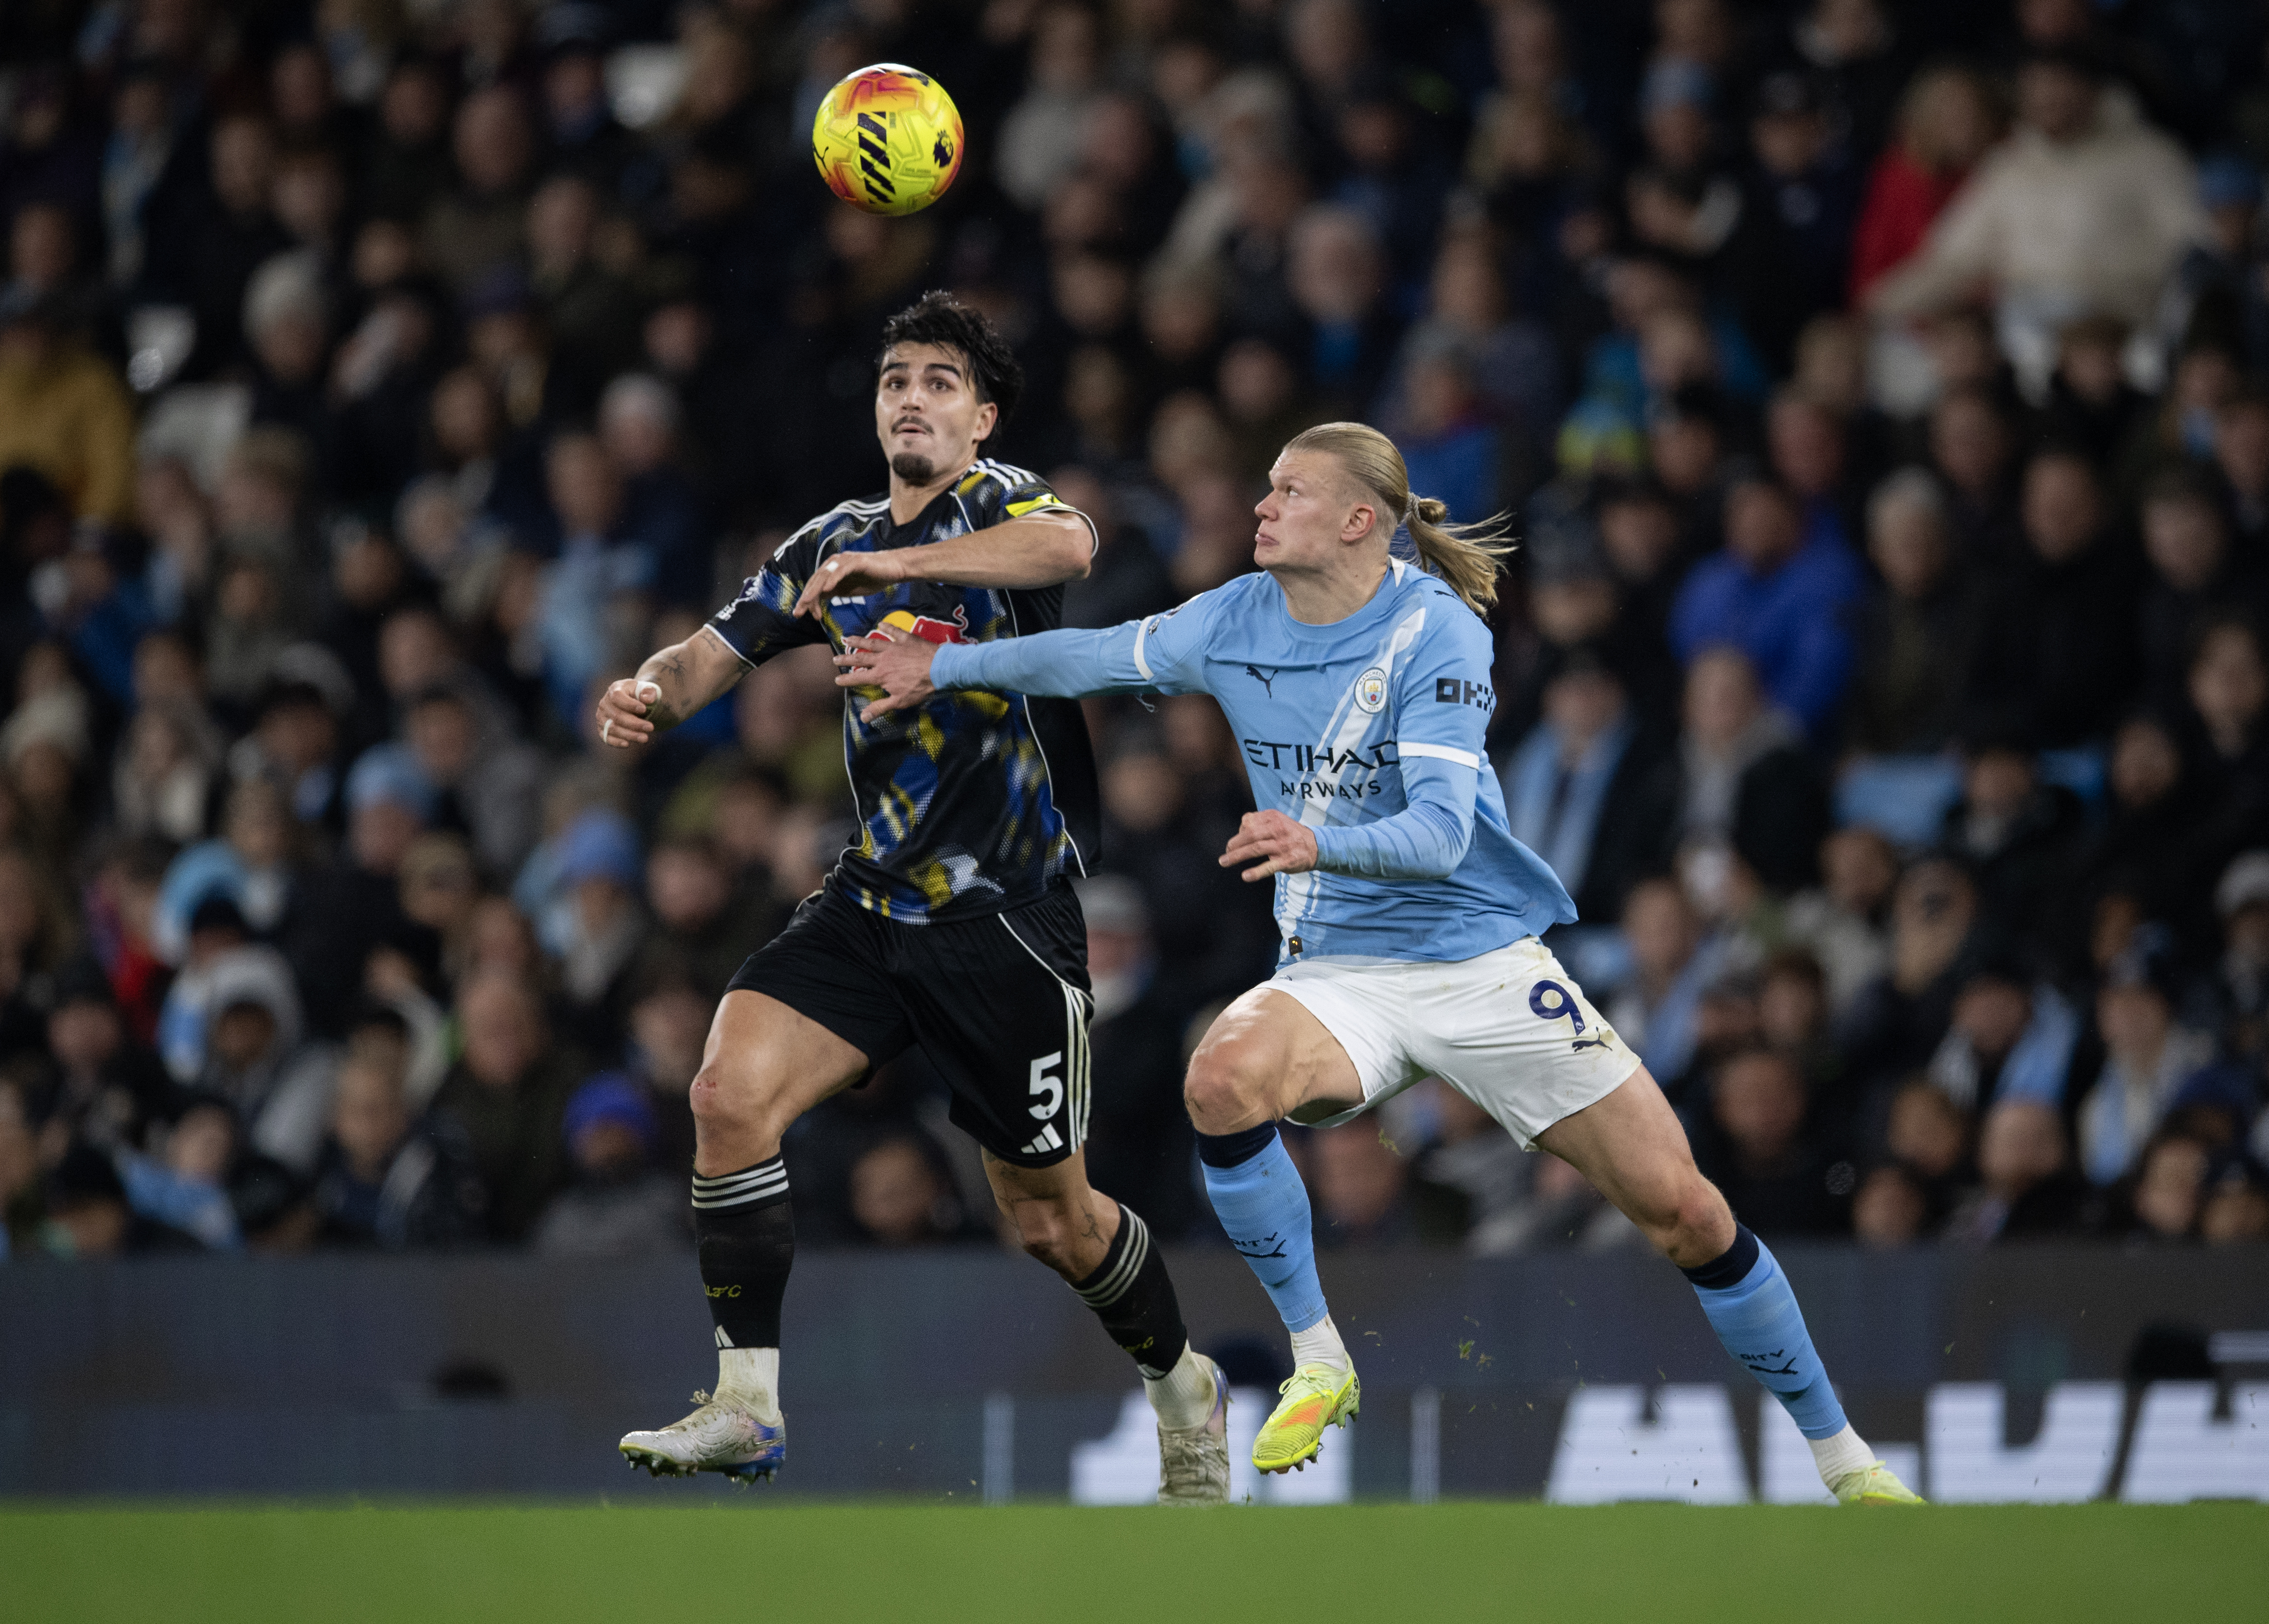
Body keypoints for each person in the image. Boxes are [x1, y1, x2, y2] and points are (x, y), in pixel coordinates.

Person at [842, 420, 1922, 1504]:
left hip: (1482, 964)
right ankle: (1320, 1354)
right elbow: (1092, 654)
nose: (1262, 506)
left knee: (1685, 1212)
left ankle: (1846, 1462)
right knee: (1218, 1078)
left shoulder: (1435, 633)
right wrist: (946, 665)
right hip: (1339, 976)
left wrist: (1319, 841)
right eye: (1265, 487)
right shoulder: (1235, 615)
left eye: (1290, 492)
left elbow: (1444, 834)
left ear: (1359, 521)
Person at [591, 293, 1227, 1503]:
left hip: (1007, 925)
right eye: (895, 380)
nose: (911, 397)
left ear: (981, 420)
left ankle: (1184, 1383)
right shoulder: (827, 541)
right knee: (726, 1094)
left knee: (1053, 1225)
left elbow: (1074, 549)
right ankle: (746, 1403)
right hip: (873, 904)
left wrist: (901, 561)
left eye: (940, 381)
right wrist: (648, 690)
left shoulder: (1006, 511)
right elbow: (709, 653)